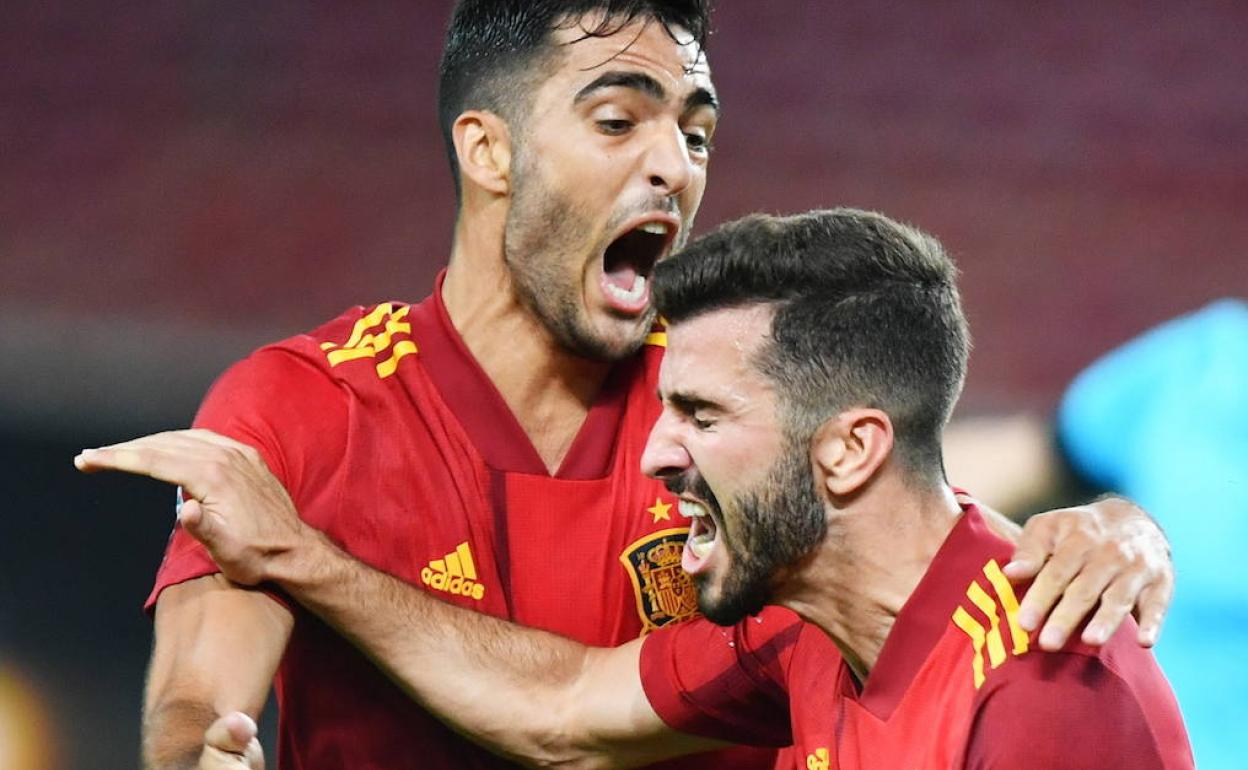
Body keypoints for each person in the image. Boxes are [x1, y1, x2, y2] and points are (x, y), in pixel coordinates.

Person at [78, 3, 1176, 768]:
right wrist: (195, 751)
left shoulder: (725, 400)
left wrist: (1118, 530)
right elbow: (201, 703)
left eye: (696, 132)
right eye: (619, 120)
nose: (674, 166)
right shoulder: (311, 404)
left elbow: (902, 513)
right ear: (488, 150)